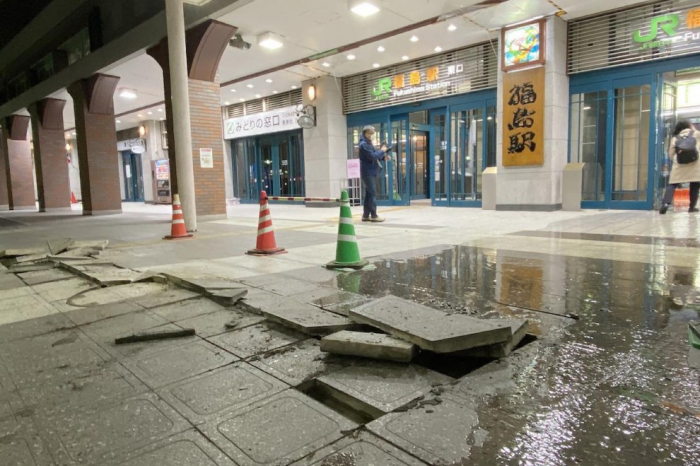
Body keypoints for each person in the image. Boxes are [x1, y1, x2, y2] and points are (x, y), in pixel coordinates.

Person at [660, 121, 700, 214]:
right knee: (695, 185)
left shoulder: (675, 138)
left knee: (672, 184)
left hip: (679, 165)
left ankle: (665, 203)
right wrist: (693, 129)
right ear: (689, 126)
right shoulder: (697, 134)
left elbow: (670, 155)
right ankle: (692, 207)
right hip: (695, 165)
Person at [359, 125, 390, 222]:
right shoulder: (363, 144)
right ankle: (374, 215)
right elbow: (372, 156)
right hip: (368, 172)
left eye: (373, 133)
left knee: (369, 193)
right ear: (365, 133)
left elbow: (374, 156)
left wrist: (382, 157)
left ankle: (365, 215)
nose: (372, 135)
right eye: (370, 133)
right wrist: (382, 151)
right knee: (372, 193)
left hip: (371, 171)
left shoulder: (368, 143)